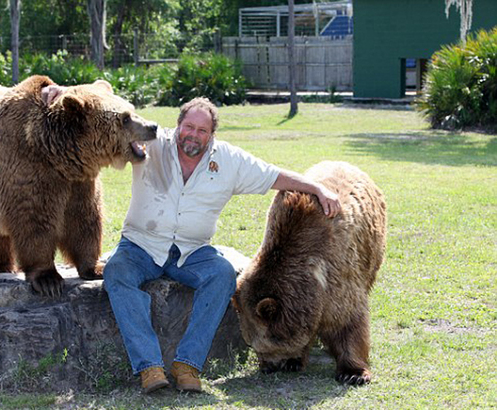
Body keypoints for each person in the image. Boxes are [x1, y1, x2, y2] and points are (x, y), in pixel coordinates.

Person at [43, 87, 341, 394]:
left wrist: (318, 188)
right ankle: (149, 367)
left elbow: (274, 175)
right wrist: (62, 92)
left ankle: (187, 364)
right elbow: (106, 115)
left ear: (211, 135)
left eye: (202, 130)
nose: (193, 136)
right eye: (189, 127)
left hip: (192, 252)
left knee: (222, 274)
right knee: (117, 272)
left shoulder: (228, 160)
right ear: (178, 125)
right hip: (141, 246)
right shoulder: (152, 142)